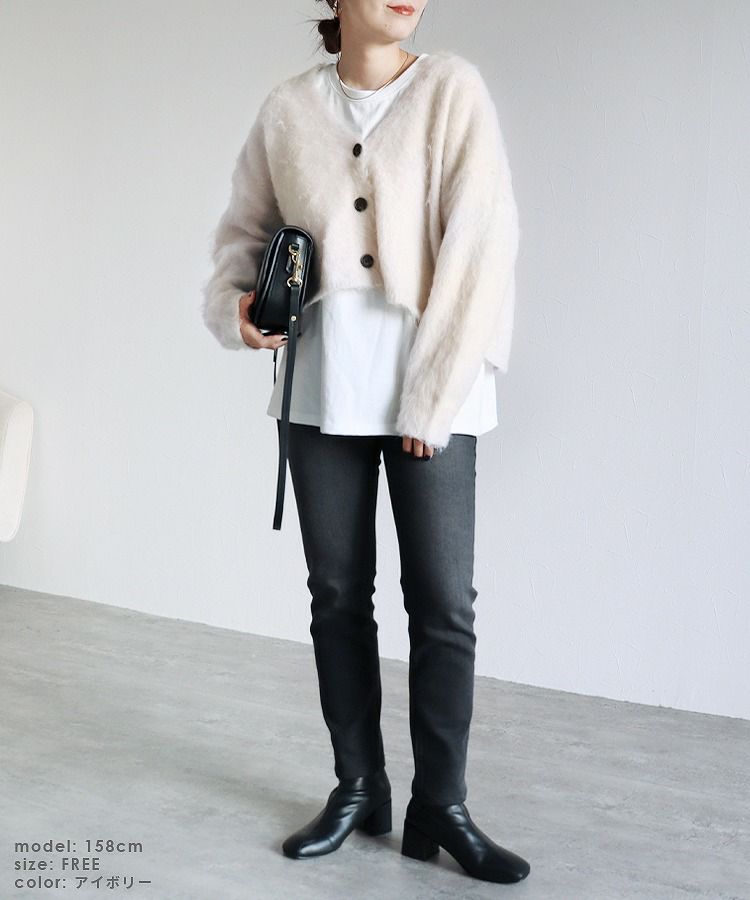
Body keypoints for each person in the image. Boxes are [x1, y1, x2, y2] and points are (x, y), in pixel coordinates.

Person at [201, 0, 529, 886]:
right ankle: (358, 786)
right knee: (337, 596)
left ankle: (441, 806)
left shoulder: (453, 89)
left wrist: (432, 399)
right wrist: (237, 308)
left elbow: (485, 244)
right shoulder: (287, 109)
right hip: (324, 382)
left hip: (434, 383)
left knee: (443, 603)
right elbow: (243, 235)